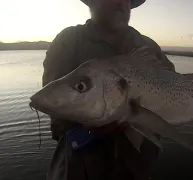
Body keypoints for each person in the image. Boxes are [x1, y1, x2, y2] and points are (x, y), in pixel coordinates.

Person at [42, 0, 176, 180]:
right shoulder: (69, 40)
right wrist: (87, 127)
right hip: (79, 169)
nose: (122, 2)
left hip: (137, 169)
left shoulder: (148, 46)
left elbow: (174, 86)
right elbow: (53, 102)